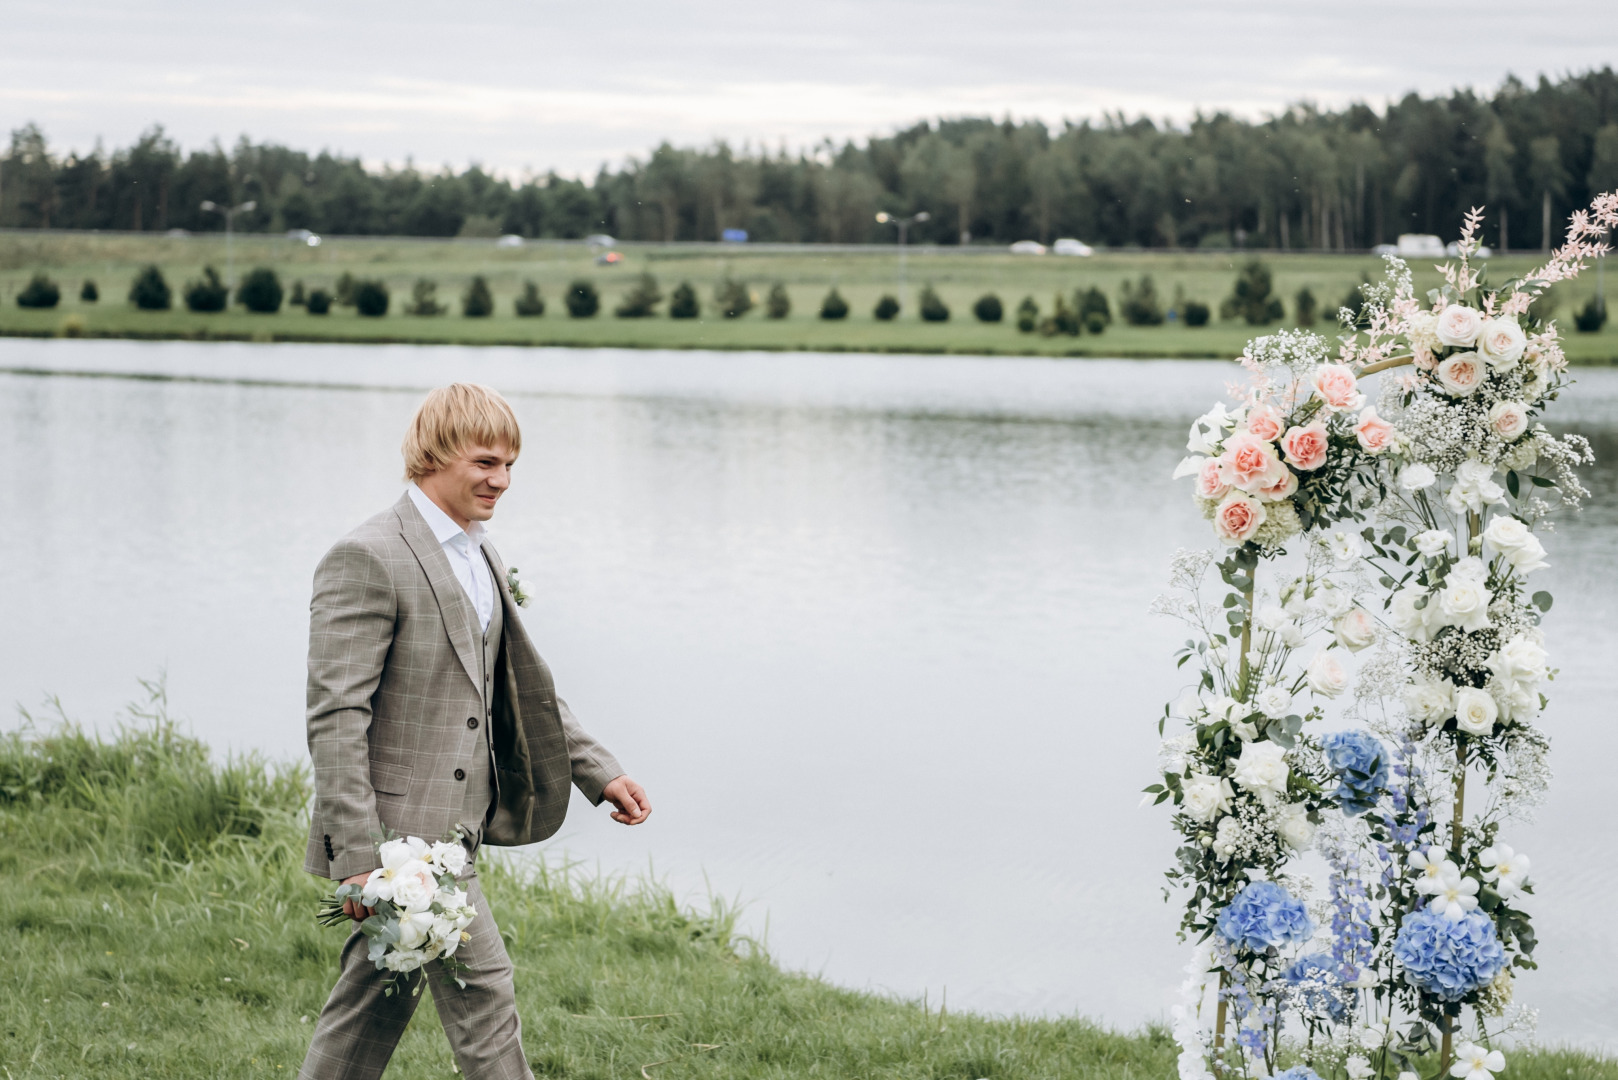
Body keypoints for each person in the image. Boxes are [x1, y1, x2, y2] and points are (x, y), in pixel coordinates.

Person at [299, 382, 650, 1079]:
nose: (503, 481)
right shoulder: (369, 556)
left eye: (511, 465)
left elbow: (517, 686)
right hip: (400, 843)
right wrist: (358, 856)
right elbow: (336, 715)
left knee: (374, 1003)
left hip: (457, 831)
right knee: (485, 995)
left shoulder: (480, 554)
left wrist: (595, 770)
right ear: (434, 454)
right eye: (487, 463)